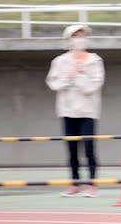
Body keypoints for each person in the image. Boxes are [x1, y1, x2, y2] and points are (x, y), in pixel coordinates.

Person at [45, 24, 105, 198]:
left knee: (89, 149)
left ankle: (92, 185)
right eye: (76, 36)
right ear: (68, 40)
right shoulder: (60, 61)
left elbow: (92, 86)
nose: (79, 39)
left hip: (88, 112)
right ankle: (74, 183)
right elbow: (54, 83)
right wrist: (69, 76)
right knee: (71, 151)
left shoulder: (95, 60)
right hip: (67, 110)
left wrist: (78, 76)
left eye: (82, 35)